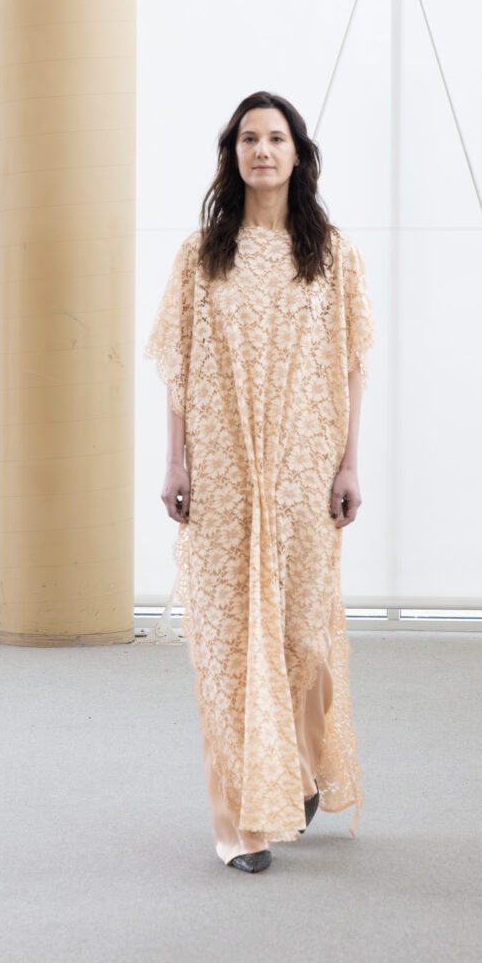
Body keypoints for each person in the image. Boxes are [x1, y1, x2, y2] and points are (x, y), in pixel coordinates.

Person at [144, 91, 377, 873]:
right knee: (230, 643)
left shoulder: (332, 255)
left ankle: (300, 769)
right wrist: (175, 460)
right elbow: (177, 368)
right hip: (222, 469)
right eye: (249, 138)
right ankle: (241, 822)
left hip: (305, 468)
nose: (262, 150)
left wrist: (348, 462)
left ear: (297, 154)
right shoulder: (201, 256)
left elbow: (352, 367)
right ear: (232, 153)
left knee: (303, 636)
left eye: (276, 138)